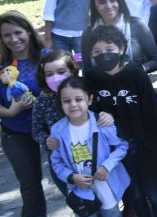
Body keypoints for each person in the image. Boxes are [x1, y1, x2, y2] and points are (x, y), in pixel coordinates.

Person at [84, 25, 157, 217]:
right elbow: (91, 109)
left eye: (110, 50)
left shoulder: (136, 74)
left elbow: (150, 113)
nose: (104, 55)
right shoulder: (92, 76)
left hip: (145, 144)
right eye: (97, 52)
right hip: (117, 149)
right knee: (135, 194)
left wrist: (156, 148)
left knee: (154, 193)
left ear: (121, 48)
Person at [32, 50, 114, 197]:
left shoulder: (84, 90)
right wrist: (46, 140)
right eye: (49, 74)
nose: (55, 77)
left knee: (107, 198)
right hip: (65, 162)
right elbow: (37, 130)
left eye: (61, 71)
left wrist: (107, 115)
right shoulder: (42, 102)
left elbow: (101, 108)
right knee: (80, 201)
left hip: (96, 157)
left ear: (72, 71)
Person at [50, 76, 129, 217]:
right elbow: (56, 162)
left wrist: (107, 166)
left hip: (105, 184)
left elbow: (122, 146)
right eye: (66, 101)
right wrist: (71, 177)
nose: (73, 105)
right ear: (61, 104)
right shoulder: (58, 130)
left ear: (90, 100)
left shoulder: (102, 123)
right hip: (79, 188)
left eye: (79, 99)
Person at [0, 11, 47, 217]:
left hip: (50, 130)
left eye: (18, 32)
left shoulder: (46, 57)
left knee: (69, 181)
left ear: (28, 31)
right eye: (6, 35)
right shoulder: (2, 65)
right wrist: (11, 111)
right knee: (30, 188)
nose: (13, 39)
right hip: (15, 133)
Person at [81, 0, 157, 74]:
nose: (109, 6)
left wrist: (138, 70)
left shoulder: (137, 25)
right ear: (94, 4)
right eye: (102, 2)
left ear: (119, 0)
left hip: (134, 84)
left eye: (112, 0)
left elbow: (156, 60)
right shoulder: (88, 33)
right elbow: (87, 69)